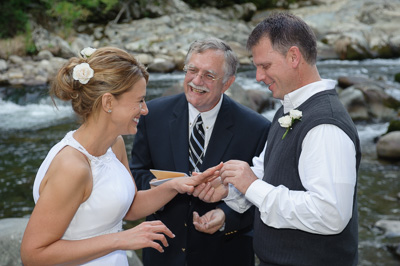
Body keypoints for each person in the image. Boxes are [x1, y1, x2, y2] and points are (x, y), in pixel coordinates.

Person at [20, 47, 221, 265]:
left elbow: (129, 207)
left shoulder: (114, 145)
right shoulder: (73, 167)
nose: (145, 110)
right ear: (108, 102)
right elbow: (33, 254)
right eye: (139, 100)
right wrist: (119, 239)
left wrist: (175, 186)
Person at [194, 13, 361, 266]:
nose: (259, 77)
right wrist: (231, 189)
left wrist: (251, 186)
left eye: (266, 66)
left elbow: (331, 214)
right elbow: (266, 172)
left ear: (294, 57)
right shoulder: (288, 108)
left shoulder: (326, 125)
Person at [129, 37, 271, 266]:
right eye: (192, 70)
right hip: (163, 255)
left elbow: (263, 195)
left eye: (209, 75)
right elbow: (136, 175)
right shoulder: (152, 115)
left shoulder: (257, 128)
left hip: (225, 256)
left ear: (227, 83)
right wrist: (170, 187)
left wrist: (227, 217)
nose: (196, 81)